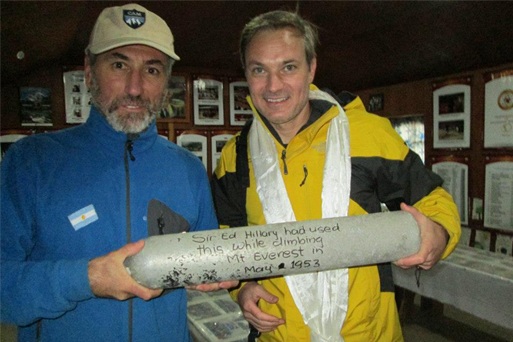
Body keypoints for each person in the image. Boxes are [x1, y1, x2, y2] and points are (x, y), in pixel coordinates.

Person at [211, 10, 461, 342]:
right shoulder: (234, 157)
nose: (273, 86)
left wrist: (438, 234)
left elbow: (433, 200)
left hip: (369, 335)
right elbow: (229, 240)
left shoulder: (369, 134)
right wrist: (242, 290)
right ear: (246, 73)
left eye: (288, 67)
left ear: (311, 68)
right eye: (260, 70)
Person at [1, 4, 235, 342]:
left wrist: (236, 283)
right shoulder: (30, 162)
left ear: (166, 81)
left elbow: (206, 267)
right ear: (89, 72)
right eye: (119, 65)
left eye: (152, 70)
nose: (135, 88)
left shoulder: (189, 169)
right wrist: (88, 279)